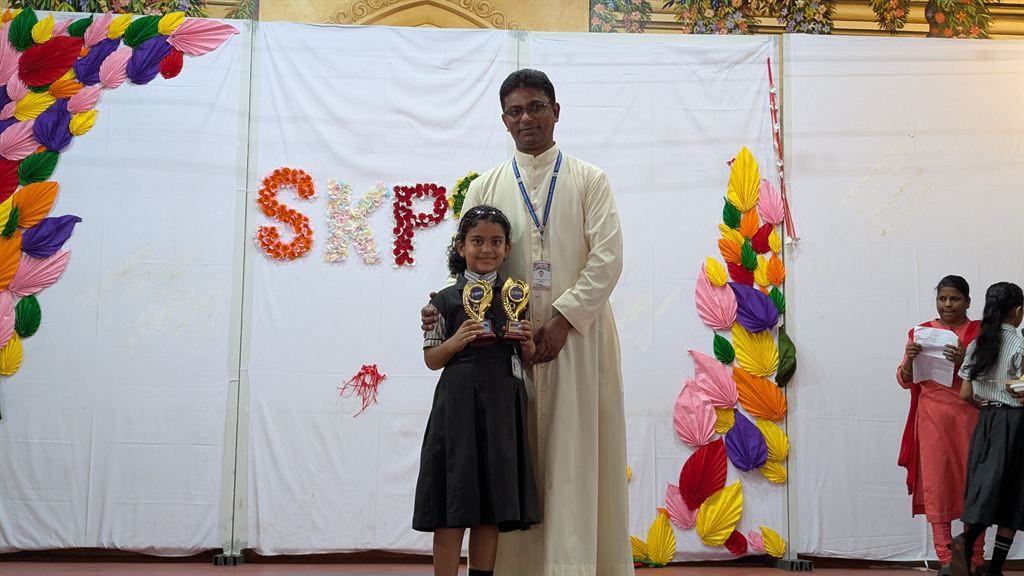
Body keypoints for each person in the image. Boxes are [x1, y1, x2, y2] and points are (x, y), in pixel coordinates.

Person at [421, 69, 633, 576]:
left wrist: (562, 320)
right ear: (504, 120)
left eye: (536, 107)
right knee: (510, 461)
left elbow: (608, 258)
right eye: (515, 111)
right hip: (503, 355)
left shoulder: (589, 179)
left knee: (573, 456)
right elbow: (467, 265)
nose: (526, 118)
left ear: (555, 111)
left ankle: (574, 566)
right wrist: (442, 311)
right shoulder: (485, 186)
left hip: (577, 342)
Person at [413, 205, 541, 576]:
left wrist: (529, 344)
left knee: (491, 505)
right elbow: (432, 359)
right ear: (460, 246)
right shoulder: (442, 300)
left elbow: (527, 358)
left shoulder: (516, 294)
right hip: (457, 411)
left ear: (507, 248)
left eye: (496, 242)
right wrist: (457, 340)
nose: (487, 249)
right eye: (477, 241)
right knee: (453, 502)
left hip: (503, 409)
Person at [897, 275, 984, 576]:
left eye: (954, 299)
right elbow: (904, 380)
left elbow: (991, 377)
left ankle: (975, 559)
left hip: (970, 417)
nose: (947, 304)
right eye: (942, 299)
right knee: (938, 484)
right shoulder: (920, 333)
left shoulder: (979, 333)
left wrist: (966, 358)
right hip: (932, 419)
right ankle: (946, 559)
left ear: (967, 302)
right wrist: (910, 361)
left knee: (975, 487)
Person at [950, 282, 1024, 576]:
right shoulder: (1020, 346)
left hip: (986, 423)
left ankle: (966, 540)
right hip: (1016, 424)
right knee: (1014, 495)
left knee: (986, 487)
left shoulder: (976, 344)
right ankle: (993, 569)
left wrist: (987, 407)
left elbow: (965, 394)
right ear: (1018, 311)